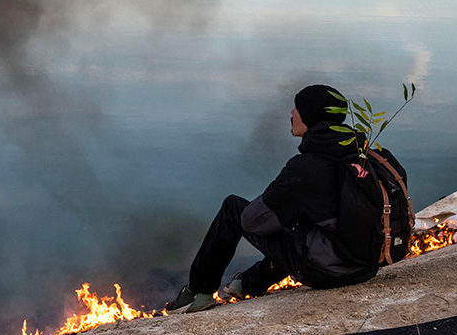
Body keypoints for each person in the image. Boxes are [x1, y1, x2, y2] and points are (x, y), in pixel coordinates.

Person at [164, 84, 405, 313]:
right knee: (300, 218)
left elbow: (251, 221)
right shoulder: (370, 155)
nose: (291, 112)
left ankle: (199, 292)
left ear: (310, 117)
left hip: (328, 273)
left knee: (234, 209)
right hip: (366, 267)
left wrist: (282, 212)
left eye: (297, 107)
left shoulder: (305, 167)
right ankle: (248, 283)